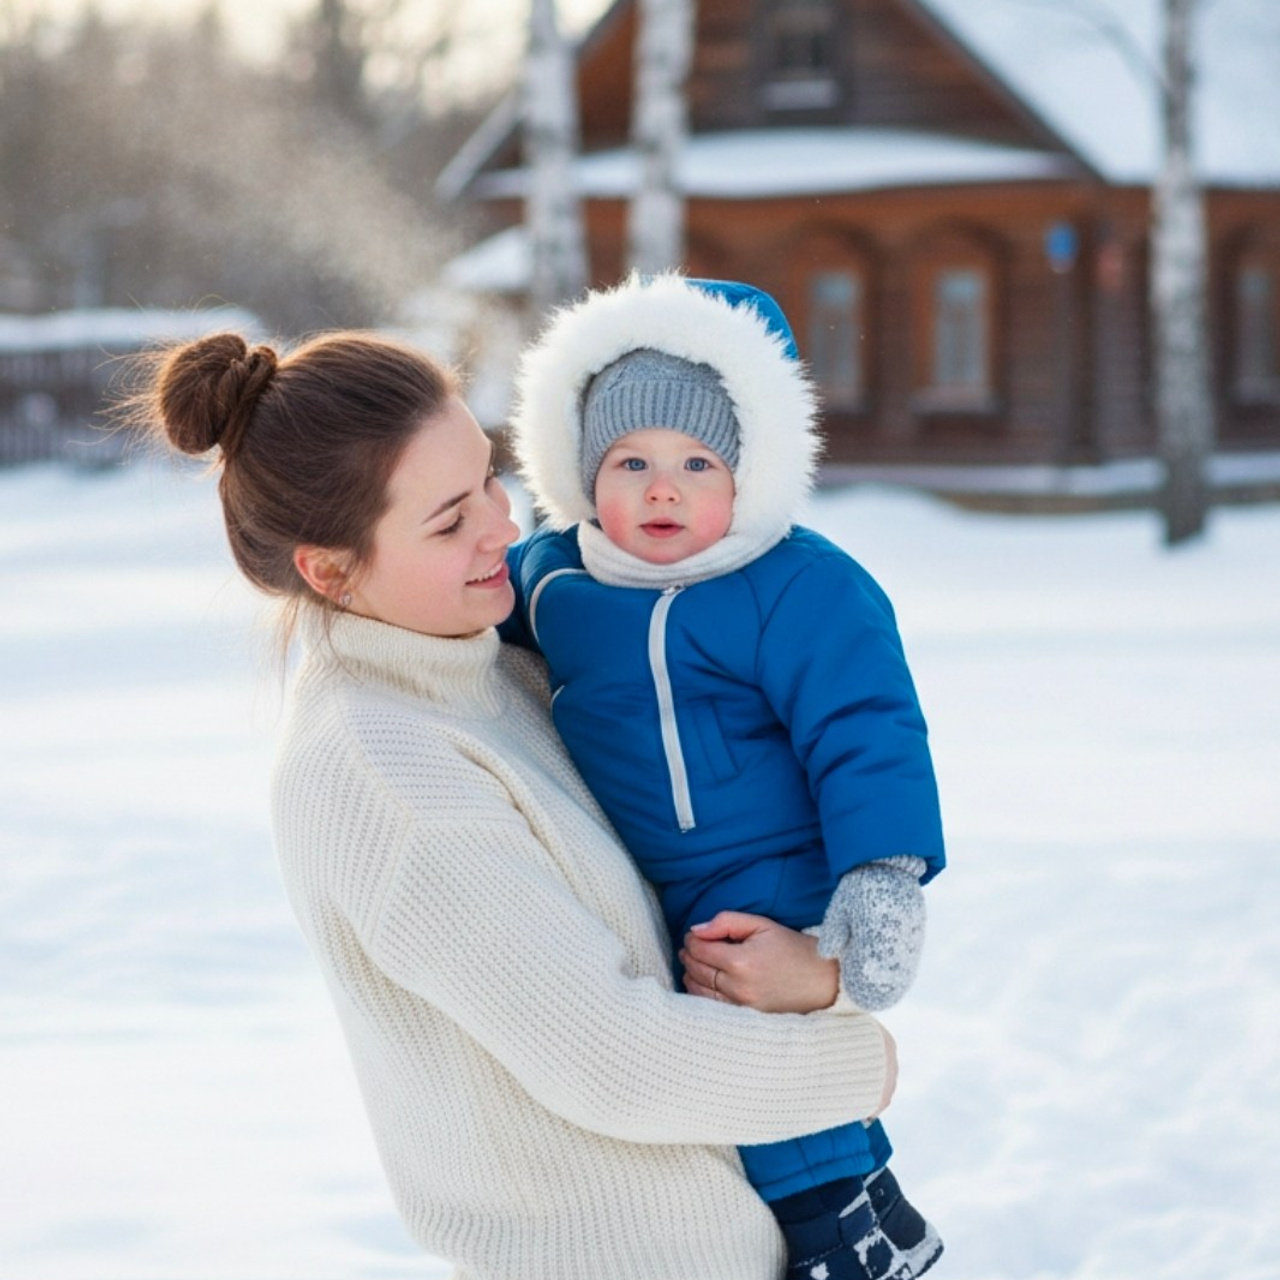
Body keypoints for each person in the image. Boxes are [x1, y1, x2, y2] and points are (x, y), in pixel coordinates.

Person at [138, 328, 901, 1280]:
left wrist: (824, 971)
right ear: (328, 570)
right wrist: (857, 1063)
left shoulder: (504, 667)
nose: (503, 527)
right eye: (448, 521)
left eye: (489, 480)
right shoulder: (384, 773)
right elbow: (614, 1061)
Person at [504, 274, 947, 1280]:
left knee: (754, 1048)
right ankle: (879, 1210)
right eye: (631, 461)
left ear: (748, 471)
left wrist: (881, 872)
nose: (662, 489)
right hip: (657, 876)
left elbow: (866, 727)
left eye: (697, 461)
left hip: (773, 867)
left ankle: (839, 1233)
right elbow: (485, 617)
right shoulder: (558, 575)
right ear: (582, 471)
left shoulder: (794, 583)